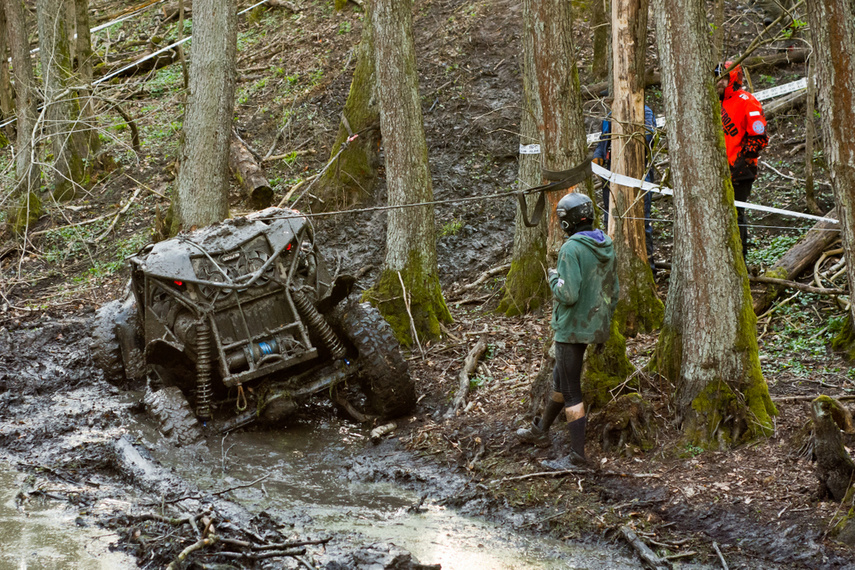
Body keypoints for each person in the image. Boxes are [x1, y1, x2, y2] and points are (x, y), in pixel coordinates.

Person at [516, 192, 619, 470]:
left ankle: (577, 456)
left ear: (566, 223)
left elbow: (568, 293)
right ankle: (540, 431)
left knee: (571, 390)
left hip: (571, 328)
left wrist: (552, 278)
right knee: (560, 381)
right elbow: (614, 290)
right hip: (595, 325)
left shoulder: (571, 249)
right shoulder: (606, 243)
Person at [592, 102, 657, 271]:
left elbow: (647, 138)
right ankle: (614, 268)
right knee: (611, 220)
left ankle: (648, 269)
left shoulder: (645, 113)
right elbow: (603, 140)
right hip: (611, 177)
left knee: (642, 223)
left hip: (637, 176)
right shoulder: (610, 115)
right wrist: (598, 156)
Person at [715, 61, 768, 260]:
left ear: (733, 78)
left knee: (736, 215)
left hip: (740, 170)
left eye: (723, 77)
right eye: (717, 77)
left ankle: (740, 260)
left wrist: (743, 160)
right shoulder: (715, 101)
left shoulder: (747, 101)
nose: (719, 82)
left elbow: (759, 135)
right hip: (719, 169)